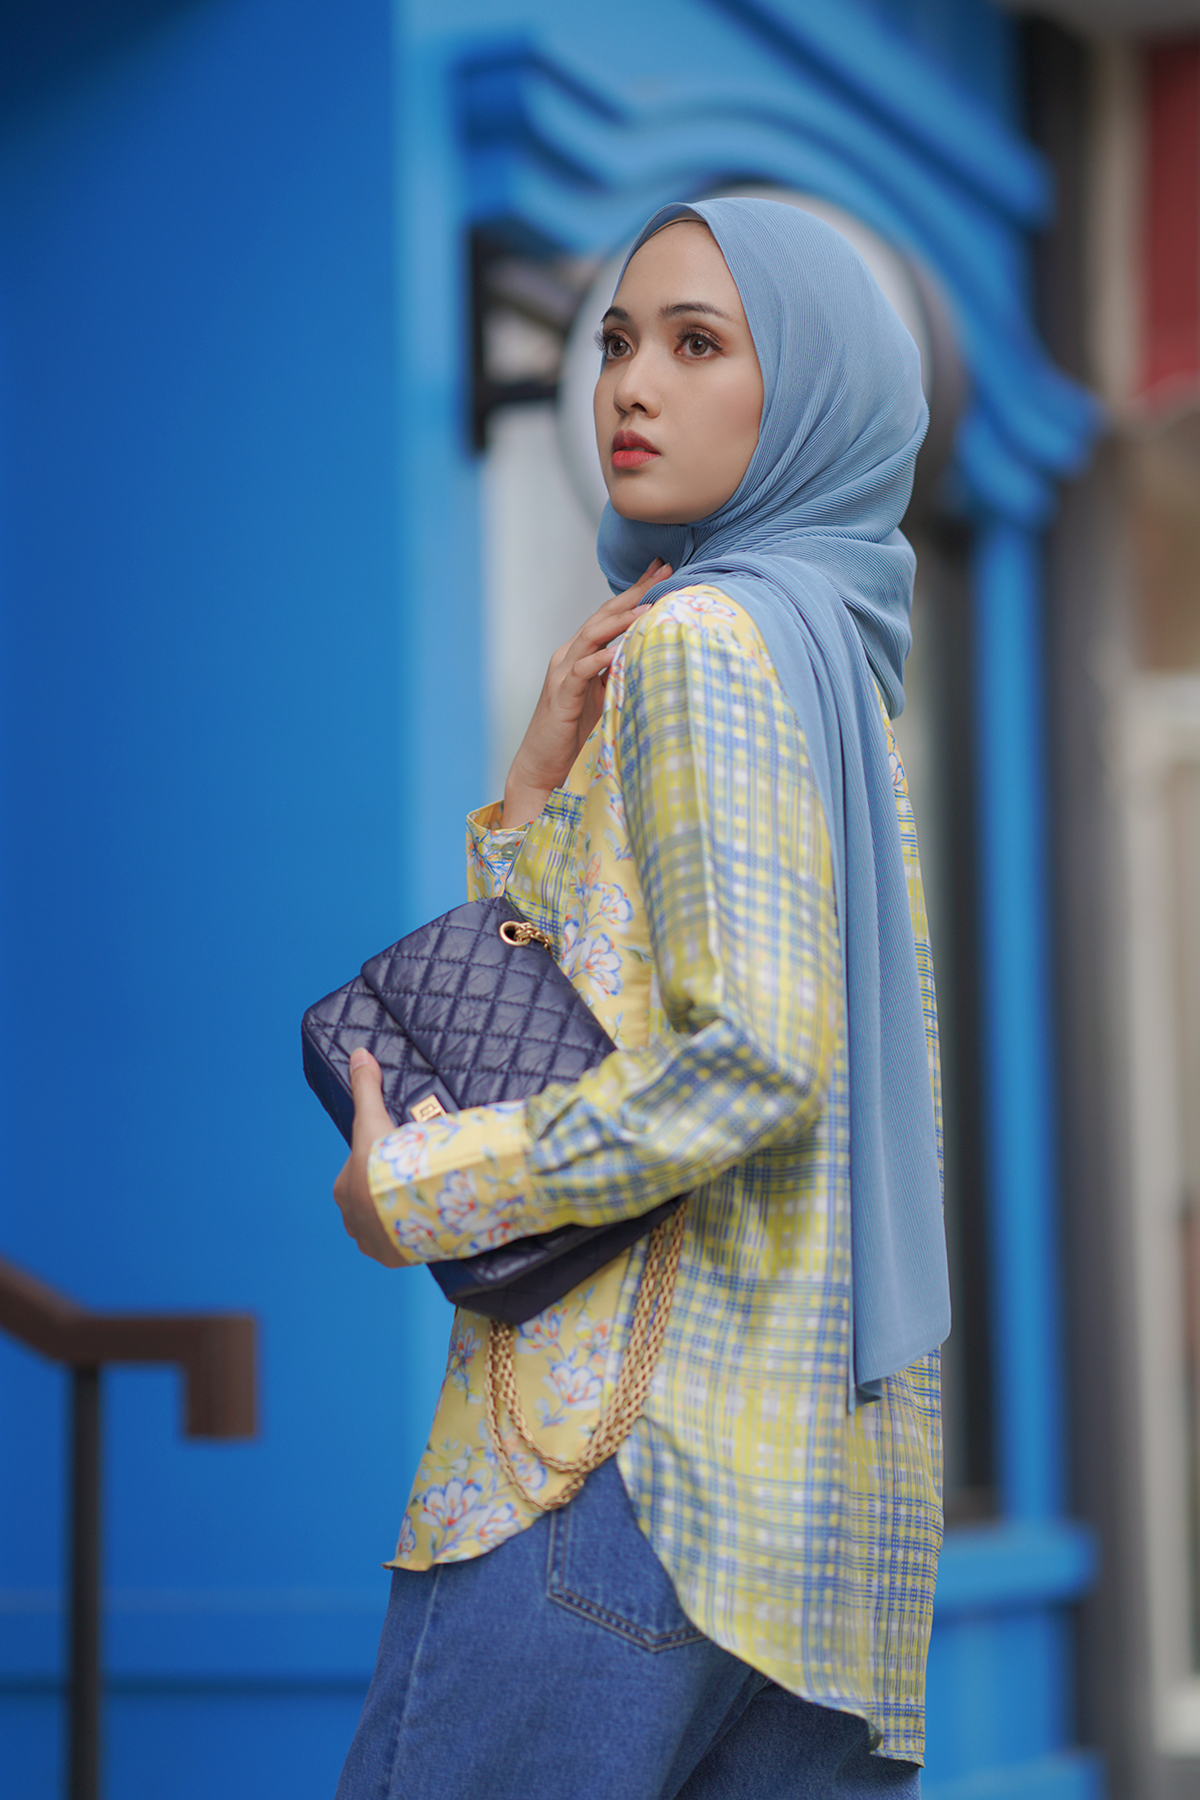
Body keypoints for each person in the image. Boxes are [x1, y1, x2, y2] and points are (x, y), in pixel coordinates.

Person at [331, 196, 950, 1799]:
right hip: (810, 1531)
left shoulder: (701, 640)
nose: (630, 384)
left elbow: (751, 1054)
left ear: (809, 393)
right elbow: (634, 998)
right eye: (617, 340)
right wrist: (537, 802)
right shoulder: (834, 669)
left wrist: (418, 1185)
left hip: (614, 1469)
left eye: (697, 344)